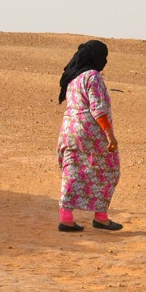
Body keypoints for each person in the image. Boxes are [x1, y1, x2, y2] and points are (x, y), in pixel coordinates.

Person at [56, 39, 122, 232]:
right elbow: (98, 108)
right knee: (107, 171)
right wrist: (110, 135)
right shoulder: (92, 76)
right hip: (90, 131)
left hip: (69, 129)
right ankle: (101, 217)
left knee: (73, 170)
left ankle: (66, 218)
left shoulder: (73, 78)